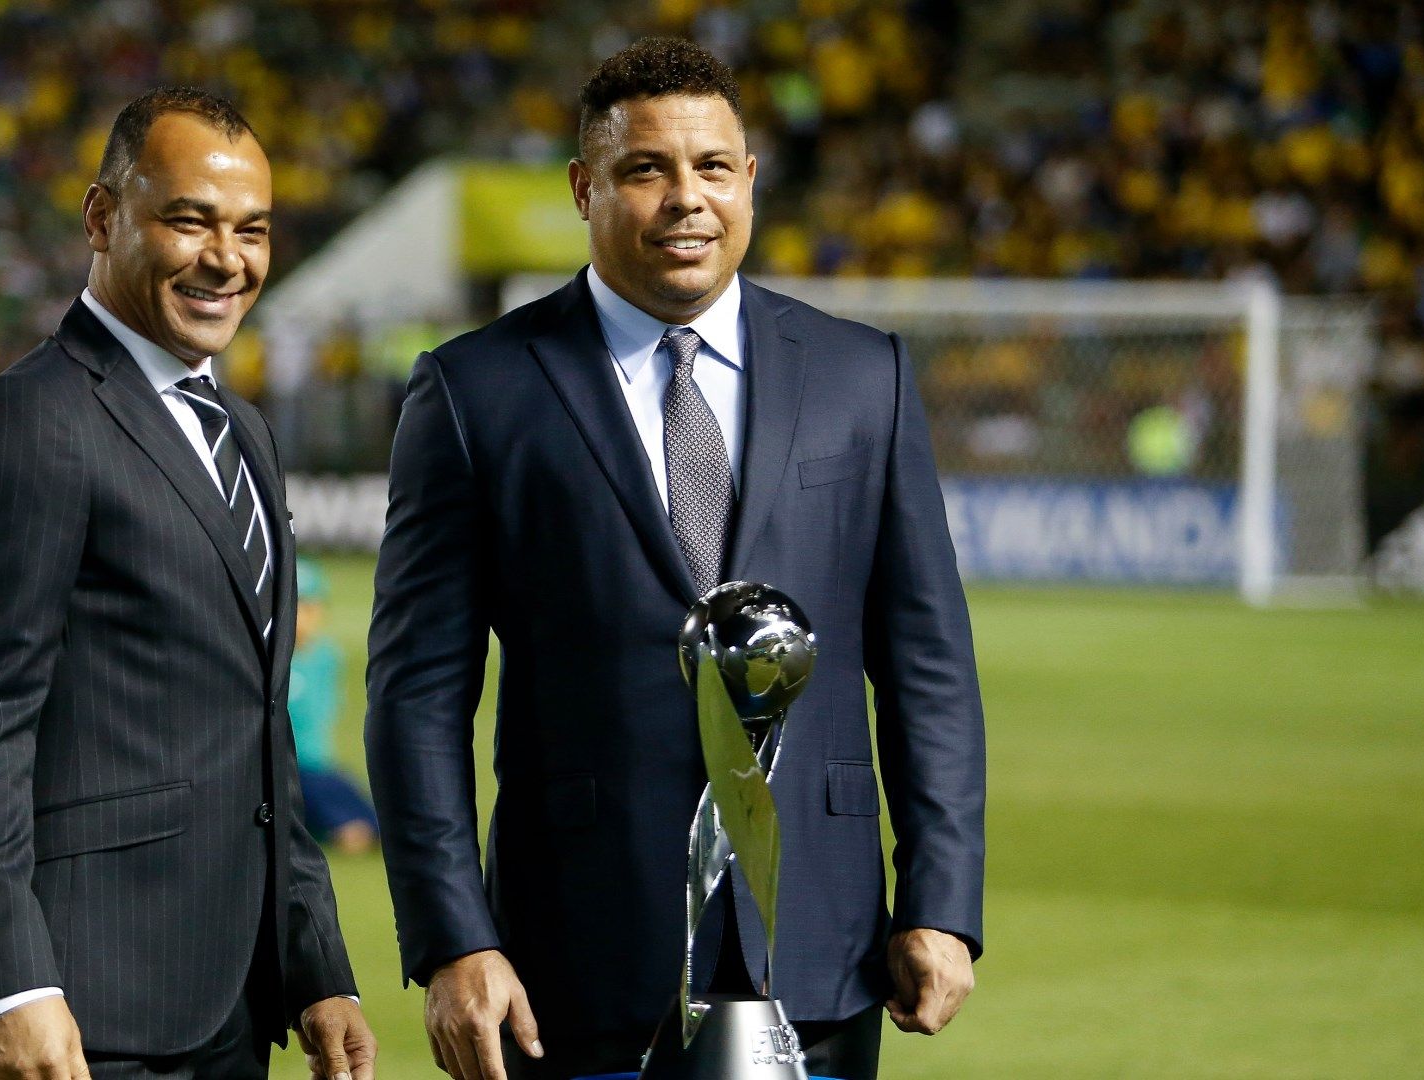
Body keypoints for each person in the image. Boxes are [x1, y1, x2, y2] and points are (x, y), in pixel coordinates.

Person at [364, 38, 984, 1080]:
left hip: (822, 941)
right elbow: (417, 693)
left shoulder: (860, 374)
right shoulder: (477, 391)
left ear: (749, 182)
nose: (685, 199)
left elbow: (927, 662)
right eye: (646, 169)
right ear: (584, 188)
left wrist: (942, 900)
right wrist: (453, 939)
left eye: (711, 168)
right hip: (578, 954)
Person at [0, 86, 375, 1080]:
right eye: (188, 220)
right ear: (101, 217)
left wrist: (317, 964)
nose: (227, 258)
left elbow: (261, 733)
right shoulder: (24, 423)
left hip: (233, 1012)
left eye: (251, 230)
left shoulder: (242, 432)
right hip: (81, 1017)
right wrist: (10, 986)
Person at [287, 559, 380, 855]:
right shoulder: (268, 662)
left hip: (322, 769)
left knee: (381, 826)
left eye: (309, 606)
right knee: (351, 835)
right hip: (290, 770)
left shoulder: (327, 658)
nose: (301, 616)